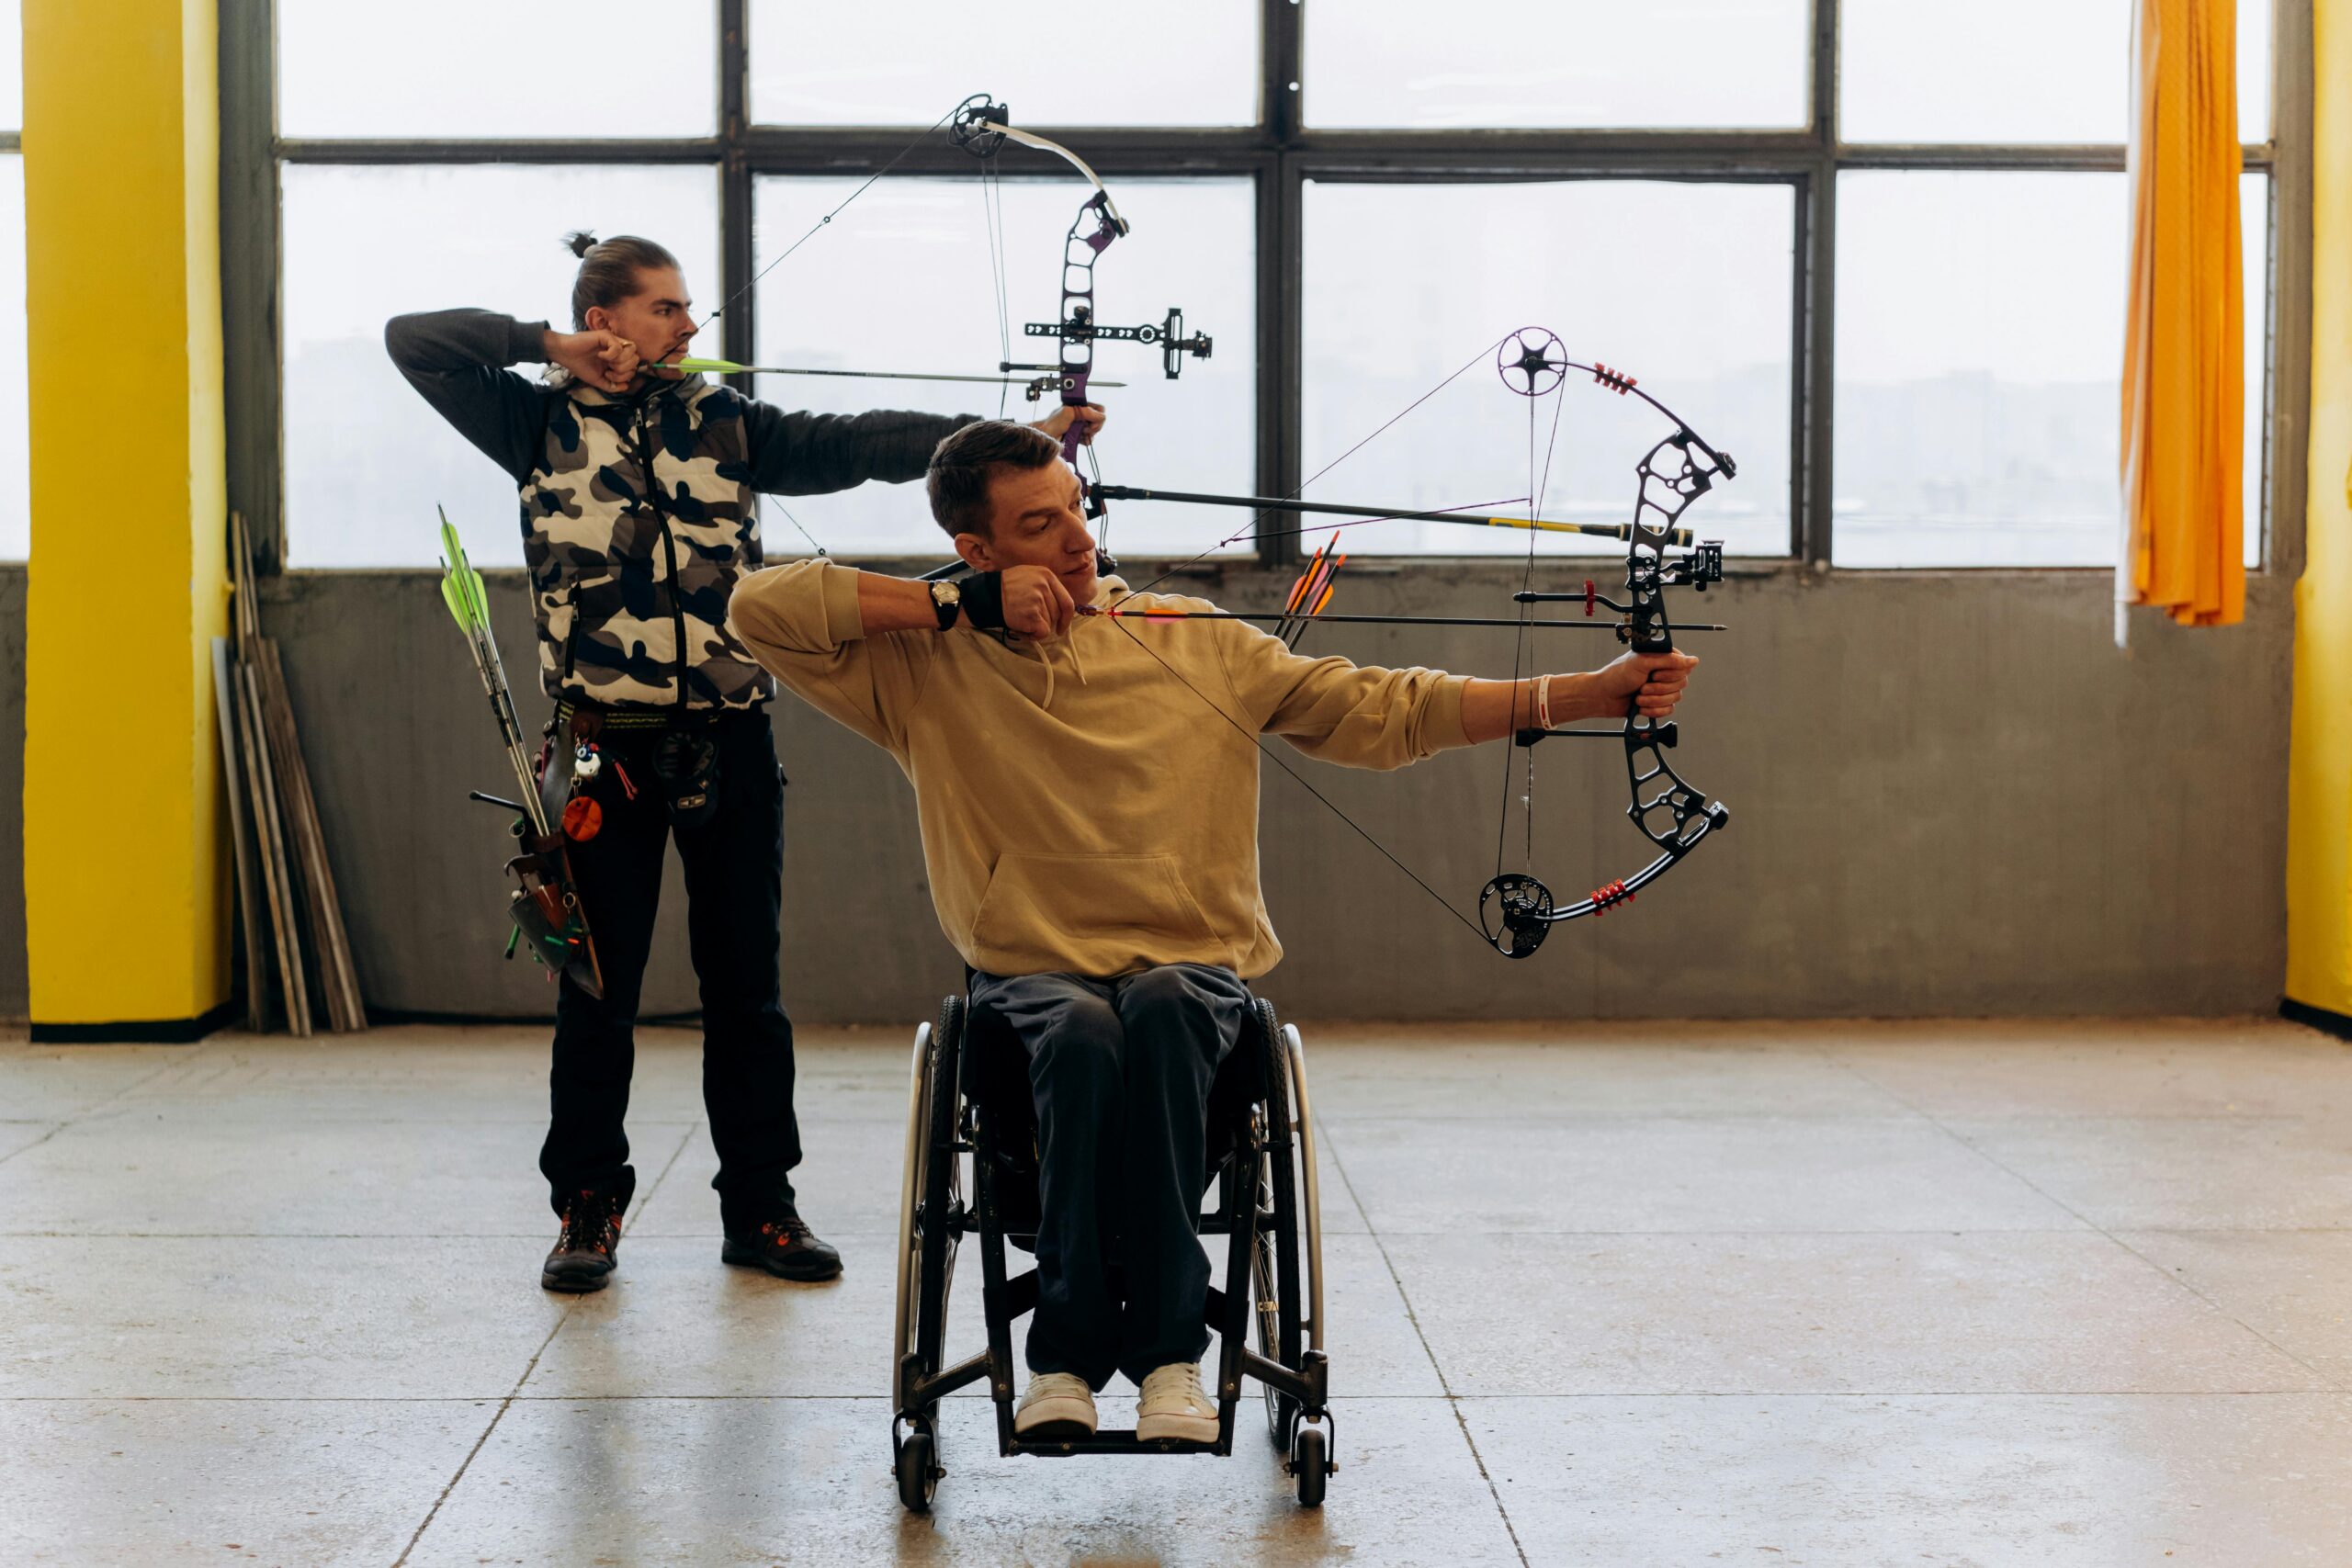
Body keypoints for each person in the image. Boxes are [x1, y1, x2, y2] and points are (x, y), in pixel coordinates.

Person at [725, 419, 1697, 1440]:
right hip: (1029, 976)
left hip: (1190, 971)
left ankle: (1166, 1364)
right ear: (977, 551)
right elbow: (758, 606)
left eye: (1075, 508)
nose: (1075, 539)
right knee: (1083, 1028)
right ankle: (1060, 1362)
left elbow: (1384, 709)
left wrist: (1584, 693)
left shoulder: (1193, 639)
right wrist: (951, 606)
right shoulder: (922, 664)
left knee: (1160, 1003)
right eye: (1037, 524)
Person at [385, 234, 1102, 1295]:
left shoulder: (725, 424)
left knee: (747, 992)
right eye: (666, 309)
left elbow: (857, 440)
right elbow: (414, 342)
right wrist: (552, 350)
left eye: (684, 309)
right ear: (605, 317)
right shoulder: (531, 421)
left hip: (729, 736)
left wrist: (1015, 440)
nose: (687, 327)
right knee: (595, 991)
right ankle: (588, 1209)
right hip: (600, 748)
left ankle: (761, 1209)